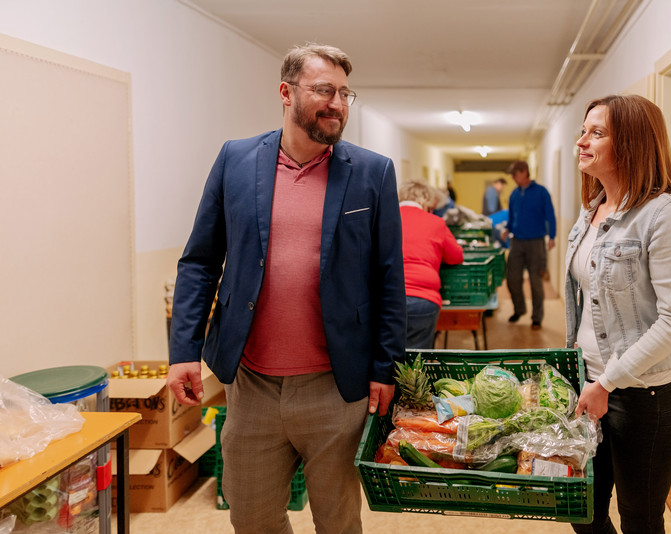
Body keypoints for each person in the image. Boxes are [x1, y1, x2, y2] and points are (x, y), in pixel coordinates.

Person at [166, 43, 406, 533]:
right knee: (251, 517)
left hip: (337, 386)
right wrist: (183, 350)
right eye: (323, 90)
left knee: (338, 521)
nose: (337, 103)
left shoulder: (371, 172)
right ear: (286, 92)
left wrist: (385, 367)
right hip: (251, 384)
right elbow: (200, 260)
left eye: (344, 93)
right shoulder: (235, 160)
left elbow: (389, 278)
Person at [566, 94, 671, 534]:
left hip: (645, 397)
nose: (581, 142)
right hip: (588, 384)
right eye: (583, 131)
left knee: (640, 519)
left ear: (632, 144)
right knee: (581, 509)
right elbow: (587, 304)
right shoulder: (591, 213)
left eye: (596, 133)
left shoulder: (664, 215)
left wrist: (607, 381)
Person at [398, 181, 464, 349]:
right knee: (416, 361)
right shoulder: (435, 222)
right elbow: (456, 256)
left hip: (385, 297)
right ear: (426, 200)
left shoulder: (382, 219)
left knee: (386, 356)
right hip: (422, 299)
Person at [501, 160, 556, 329]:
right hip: (517, 241)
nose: (513, 178)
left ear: (524, 172)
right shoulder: (514, 194)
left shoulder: (541, 192)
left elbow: (550, 215)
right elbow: (512, 216)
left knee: (535, 281)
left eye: (515, 174)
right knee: (512, 278)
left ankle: (537, 317)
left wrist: (552, 236)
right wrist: (507, 229)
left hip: (536, 242)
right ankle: (520, 309)